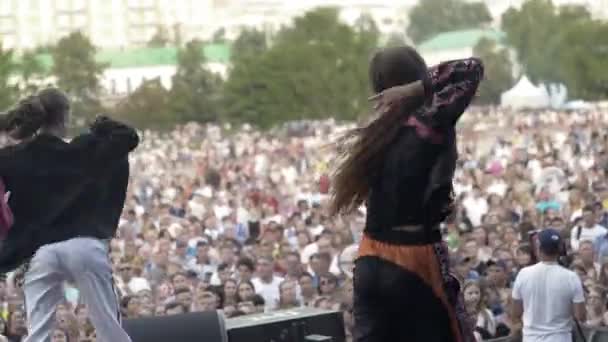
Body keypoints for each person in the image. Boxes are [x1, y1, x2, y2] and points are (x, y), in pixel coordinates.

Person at [330, 45, 483, 342]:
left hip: (370, 257)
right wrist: (416, 88)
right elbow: (472, 68)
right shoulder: (430, 120)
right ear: (417, 75)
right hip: (414, 257)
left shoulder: (377, 130)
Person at [0, 88, 139, 342]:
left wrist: (8, 126)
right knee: (110, 328)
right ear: (65, 118)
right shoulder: (82, 149)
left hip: (40, 253)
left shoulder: (15, 157)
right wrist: (101, 125)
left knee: (37, 334)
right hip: (84, 246)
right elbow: (128, 137)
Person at [511, 229, 586, 342]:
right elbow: (580, 316)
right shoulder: (571, 277)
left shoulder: (523, 274)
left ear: (538, 248)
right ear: (560, 249)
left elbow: (516, 312)